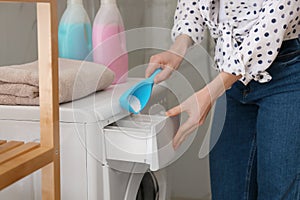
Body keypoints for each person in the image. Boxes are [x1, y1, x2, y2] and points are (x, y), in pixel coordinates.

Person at [145, 0, 300, 199]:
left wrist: (211, 92)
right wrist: (178, 47)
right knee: (227, 190)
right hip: (232, 81)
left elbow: (273, 23)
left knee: (278, 191)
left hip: (283, 75)